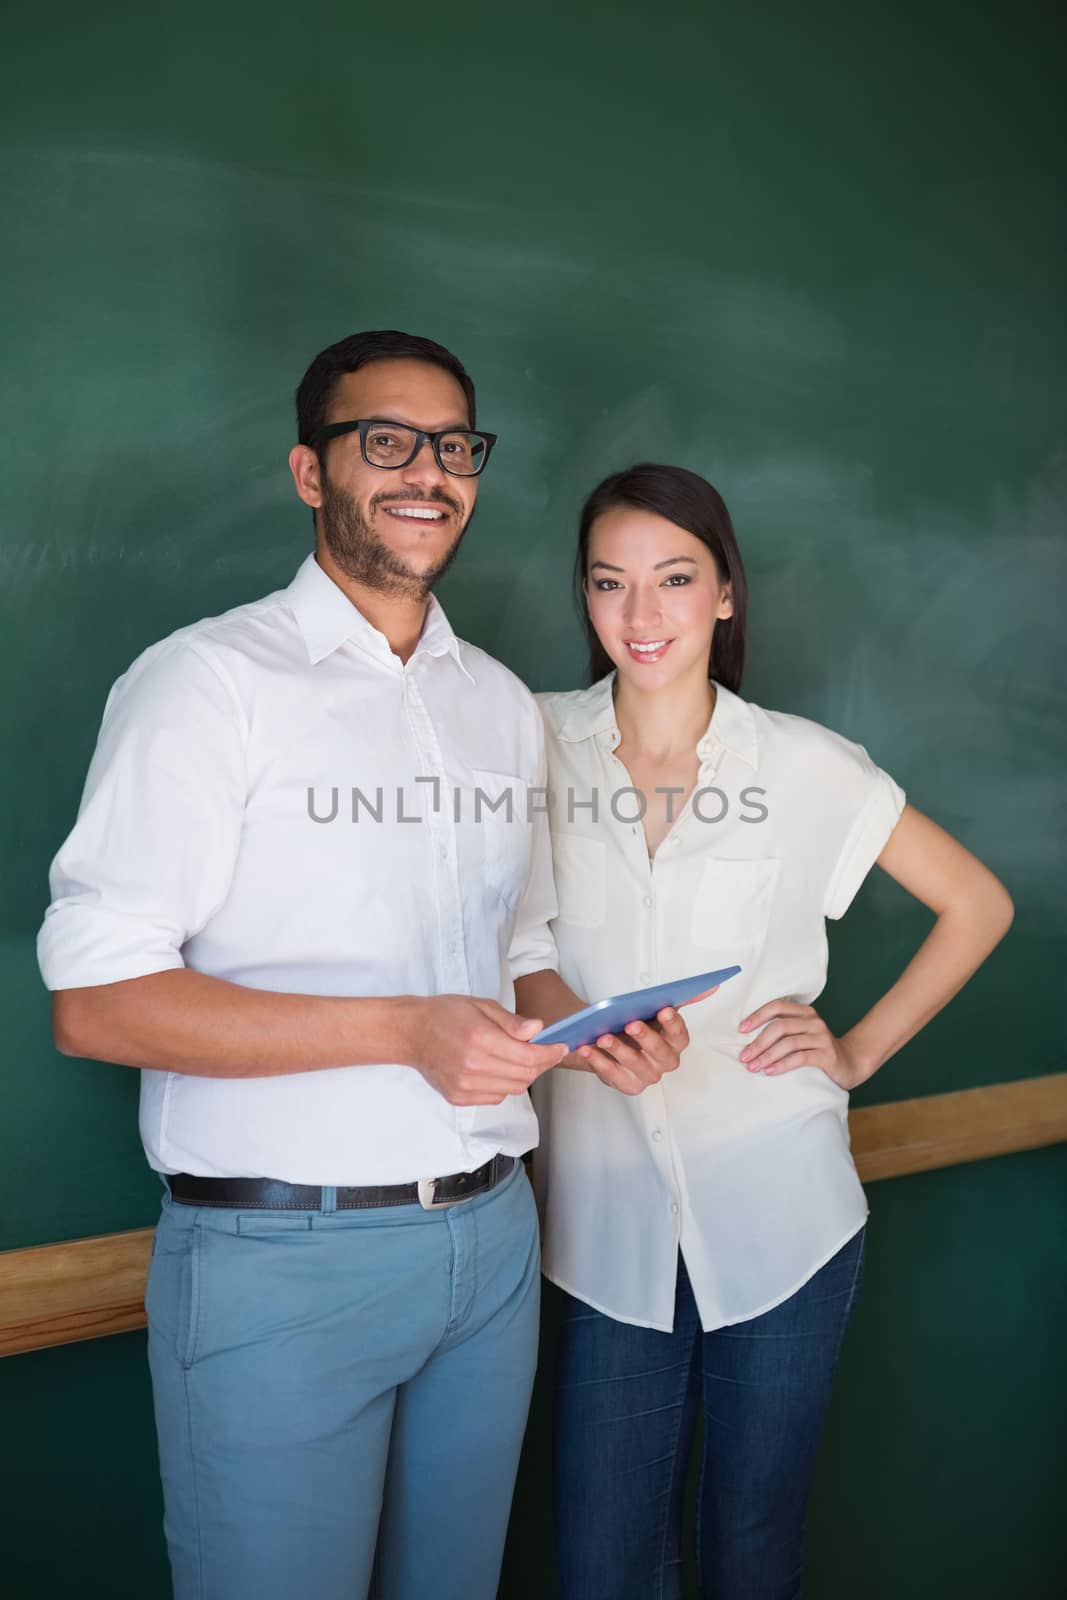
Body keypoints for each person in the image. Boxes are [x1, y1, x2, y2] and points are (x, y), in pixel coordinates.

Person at [35, 334, 691, 1600]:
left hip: (493, 1242)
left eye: (453, 445)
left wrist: (588, 1031)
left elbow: (523, 954)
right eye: (385, 439)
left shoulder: (498, 703)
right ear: (308, 470)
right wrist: (401, 1030)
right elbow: (97, 1002)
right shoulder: (204, 683)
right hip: (280, 1261)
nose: (426, 471)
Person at [525, 463, 1014, 1600]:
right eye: (609, 583)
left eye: (673, 578)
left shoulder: (802, 763)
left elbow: (977, 903)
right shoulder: (530, 744)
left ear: (725, 593)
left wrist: (854, 1053)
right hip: (595, 1229)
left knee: (751, 1552)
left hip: (783, 1216)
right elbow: (502, 940)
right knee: (602, 1563)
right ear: (585, 600)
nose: (640, 616)